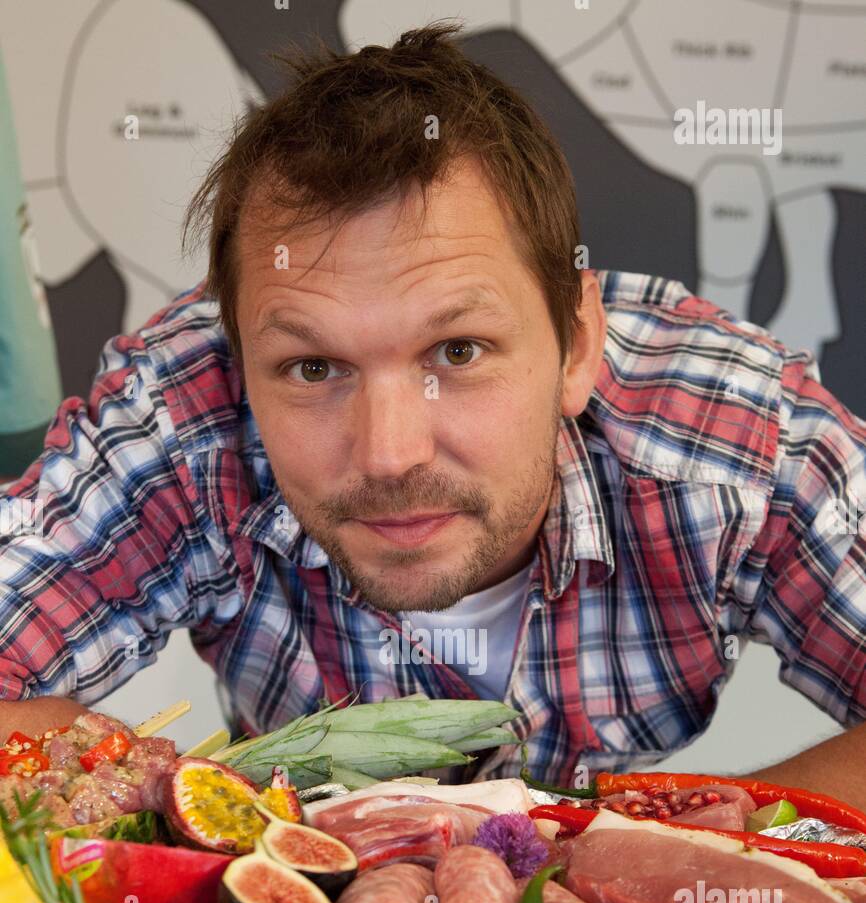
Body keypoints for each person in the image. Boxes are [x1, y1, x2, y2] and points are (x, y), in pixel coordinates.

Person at [1, 22, 866, 804]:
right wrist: (193, 805)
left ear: (575, 345)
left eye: (457, 352)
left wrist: (663, 846)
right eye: (312, 366)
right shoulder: (182, 412)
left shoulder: (737, 436)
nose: (389, 454)